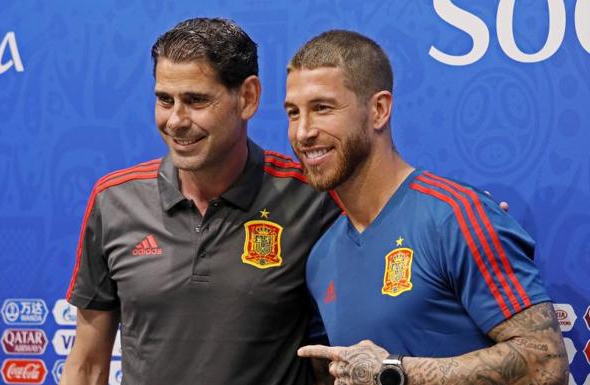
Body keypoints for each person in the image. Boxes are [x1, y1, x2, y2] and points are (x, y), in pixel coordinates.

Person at [60, 18, 341, 385]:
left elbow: (339, 358)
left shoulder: (314, 198)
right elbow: (87, 365)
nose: (175, 121)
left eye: (196, 100)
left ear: (248, 97)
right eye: (164, 99)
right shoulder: (114, 199)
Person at [284, 30, 568, 385]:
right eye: (293, 113)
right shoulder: (321, 257)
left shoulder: (457, 215)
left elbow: (545, 364)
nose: (302, 132)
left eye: (322, 108)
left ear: (379, 109)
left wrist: (393, 371)